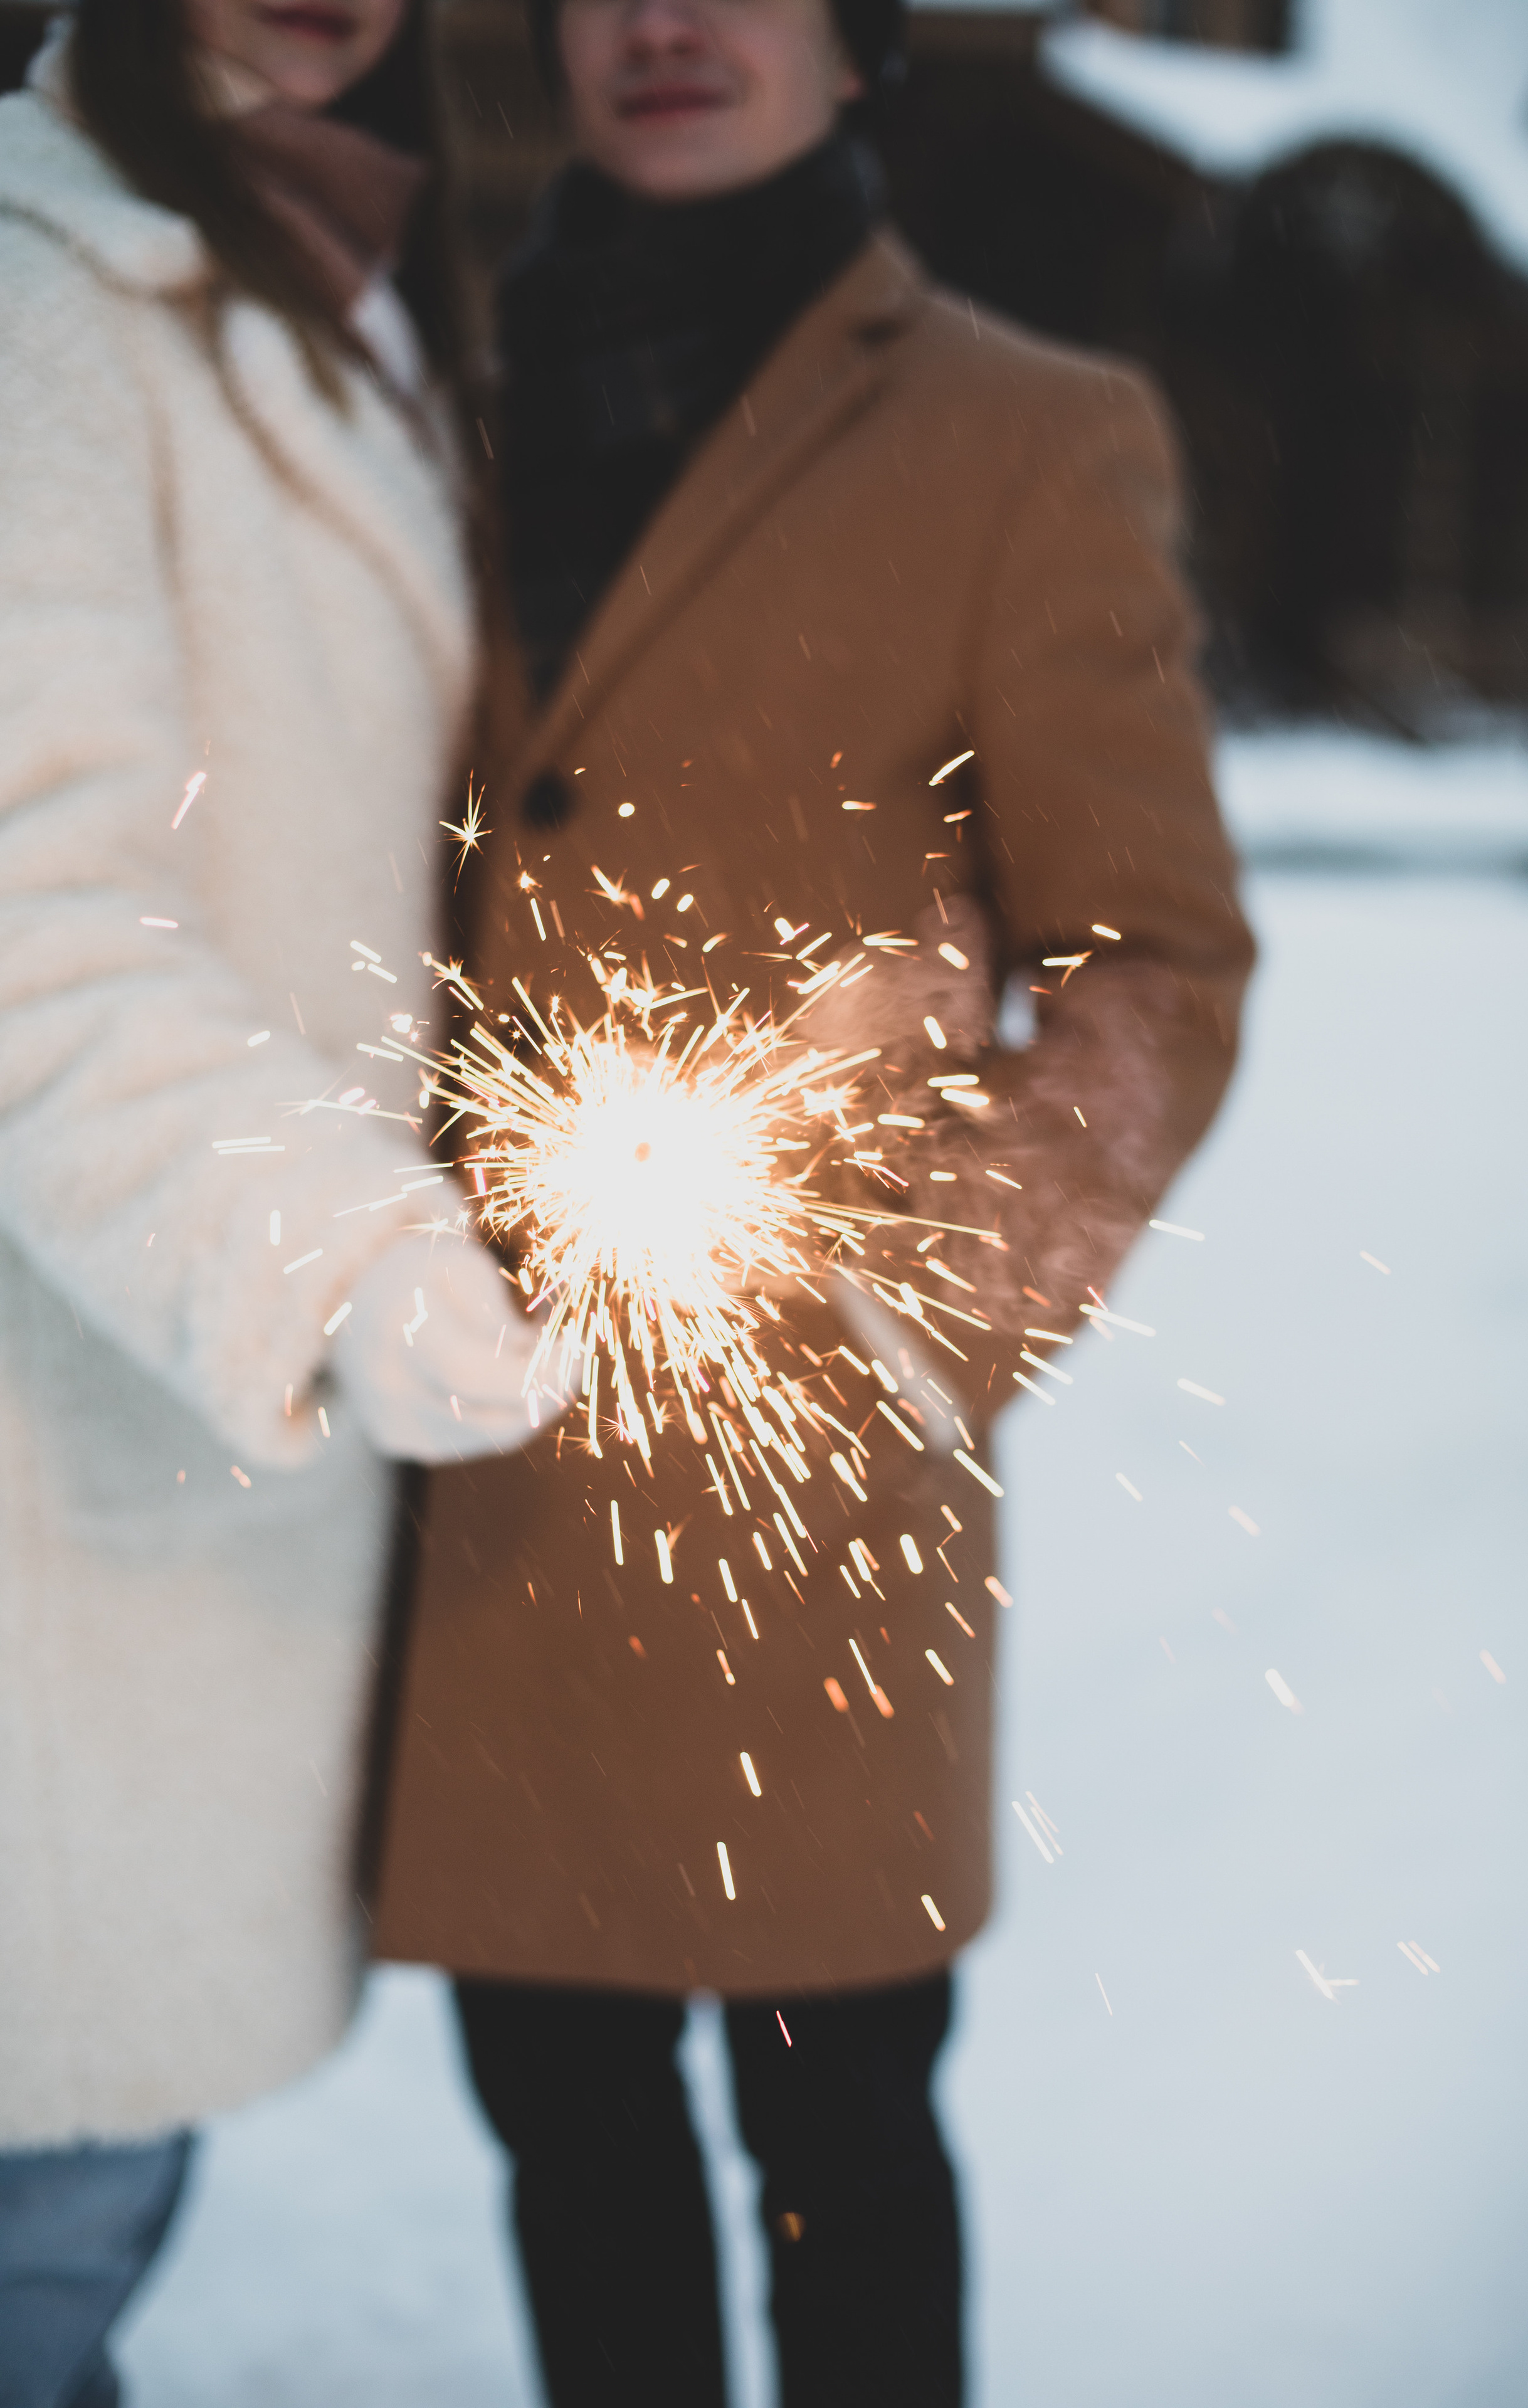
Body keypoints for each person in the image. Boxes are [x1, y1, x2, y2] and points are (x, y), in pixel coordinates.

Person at [371, 0, 1254, 2397]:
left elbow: (1154, 963)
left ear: (858, 46)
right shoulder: (414, 412)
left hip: (810, 1486)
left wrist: (920, 1329)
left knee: (836, 2142)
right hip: (467, 1451)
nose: (666, 25)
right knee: (562, 2132)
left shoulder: (1021, 433)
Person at [0, 5, 541, 2402]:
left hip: (196, 1467)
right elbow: (30, 924)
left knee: (84, 2227)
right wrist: (344, 1251)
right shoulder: (41, 301)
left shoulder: (358, 276)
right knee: (50, 2222)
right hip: (73, 1463)